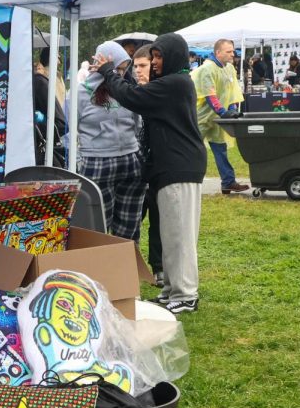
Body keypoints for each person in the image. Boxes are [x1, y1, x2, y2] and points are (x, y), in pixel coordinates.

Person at [94, 33, 206, 314]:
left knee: (180, 234)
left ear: (173, 57)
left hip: (179, 167)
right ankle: (171, 290)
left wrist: (109, 71)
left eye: (158, 57)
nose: (154, 62)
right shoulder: (171, 84)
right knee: (169, 234)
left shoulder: (176, 83)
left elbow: (132, 96)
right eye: (153, 57)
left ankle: (186, 294)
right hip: (169, 167)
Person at [77, 41, 146, 241]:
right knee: (98, 227)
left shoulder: (124, 89)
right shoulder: (82, 93)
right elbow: (71, 128)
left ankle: (126, 267)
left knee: (130, 226)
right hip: (96, 162)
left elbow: (137, 123)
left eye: (125, 69)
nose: (121, 74)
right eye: (118, 69)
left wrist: (138, 152)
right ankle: (100, 268)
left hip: (130, 161)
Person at [192, 38, 249, 194]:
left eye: (233, 51)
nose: (233, 54)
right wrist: (224, 113)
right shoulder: (207, 69)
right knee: (193, 150)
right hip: (202, 117)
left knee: (220, 149)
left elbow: (232, 91)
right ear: (218, 52)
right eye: (228, 51)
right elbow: (210, 95)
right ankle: (187, 180)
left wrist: (231, 109)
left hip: (217, 117)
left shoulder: (229, 68)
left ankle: (228, 182)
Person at [132, 45, 163, 284]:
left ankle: (158, 267)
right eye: (135, 66)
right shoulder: (129, 93)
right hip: (134, 165)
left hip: (156, 166)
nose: (138, 71)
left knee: (158, 219)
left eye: (143, 66)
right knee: (133, 219)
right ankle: (131, 264)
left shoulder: (160, 93)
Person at [33, 50, 67, 165]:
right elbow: (60, 124)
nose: (59, 60)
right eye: (57, 57)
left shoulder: (55, 76)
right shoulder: (42, 80)